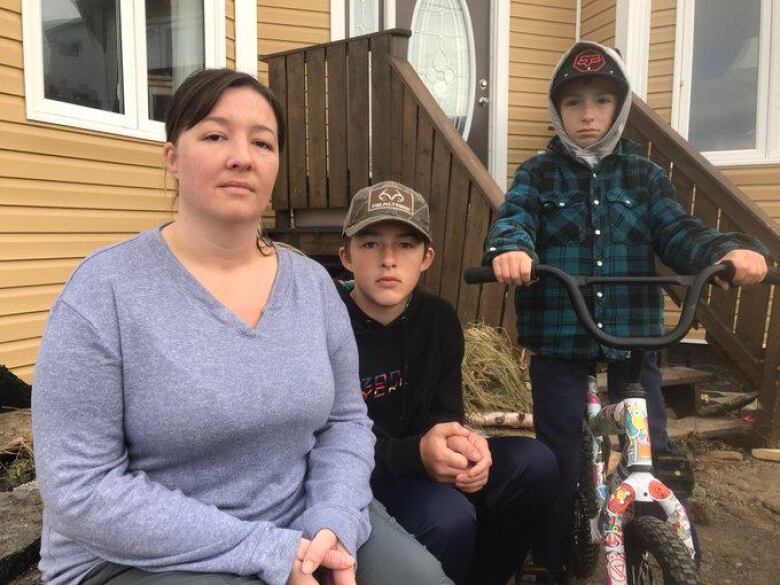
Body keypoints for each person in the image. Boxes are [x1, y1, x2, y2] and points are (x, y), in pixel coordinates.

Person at [32, 69, 453, 585]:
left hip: (301, 521)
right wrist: (266, 550)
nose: (241, 156)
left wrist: (334, 522)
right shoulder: (103, 291)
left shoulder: (312, 286)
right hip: (138, 553)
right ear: (172, 157)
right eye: (214, 135)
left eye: (262, 142)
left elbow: (344, 422)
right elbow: (81, 488)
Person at [483, 41, 769, 579]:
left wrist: (724, 252)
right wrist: (512, 249)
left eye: (601, 101)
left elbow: (680, 231)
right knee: (561, 456)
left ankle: (656, 534)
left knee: (652, 443)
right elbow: (513, 218)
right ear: (556, 109)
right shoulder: (538, 174)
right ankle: (556, 554)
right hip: (561, 335)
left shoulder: (645, 176)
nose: (587, 114)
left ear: (620, 108)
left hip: (634, 335)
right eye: (573, 103)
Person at [336, 181, 561, 585]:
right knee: (448, 517)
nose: (388, 260)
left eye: (405, 245)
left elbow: (445, 413)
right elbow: (323, 440)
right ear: (346, 256)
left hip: (425, 461)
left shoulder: (438, 319)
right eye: (370, 244)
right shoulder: (327, 323)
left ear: (426, 258)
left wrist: (466, 446)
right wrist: (416, 456)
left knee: (535, 462)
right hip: (362, 477)